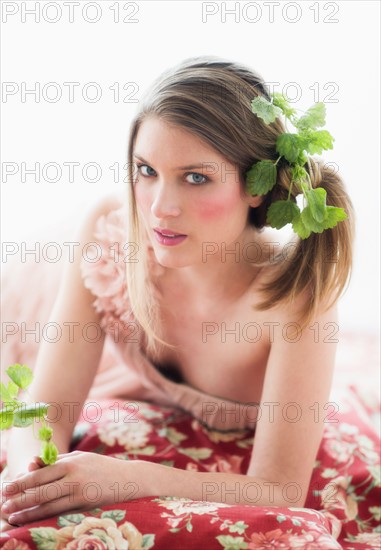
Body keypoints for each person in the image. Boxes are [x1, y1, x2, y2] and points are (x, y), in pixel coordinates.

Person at [0, 55, 354, 527]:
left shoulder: (298, 297)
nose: (160, 209)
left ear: (257, 186)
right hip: (42, 302)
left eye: (195, 178)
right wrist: (33, 479)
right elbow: (45, 409)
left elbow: (280, 488)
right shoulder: (111, 230)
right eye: (146, 171)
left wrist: (125, 477)